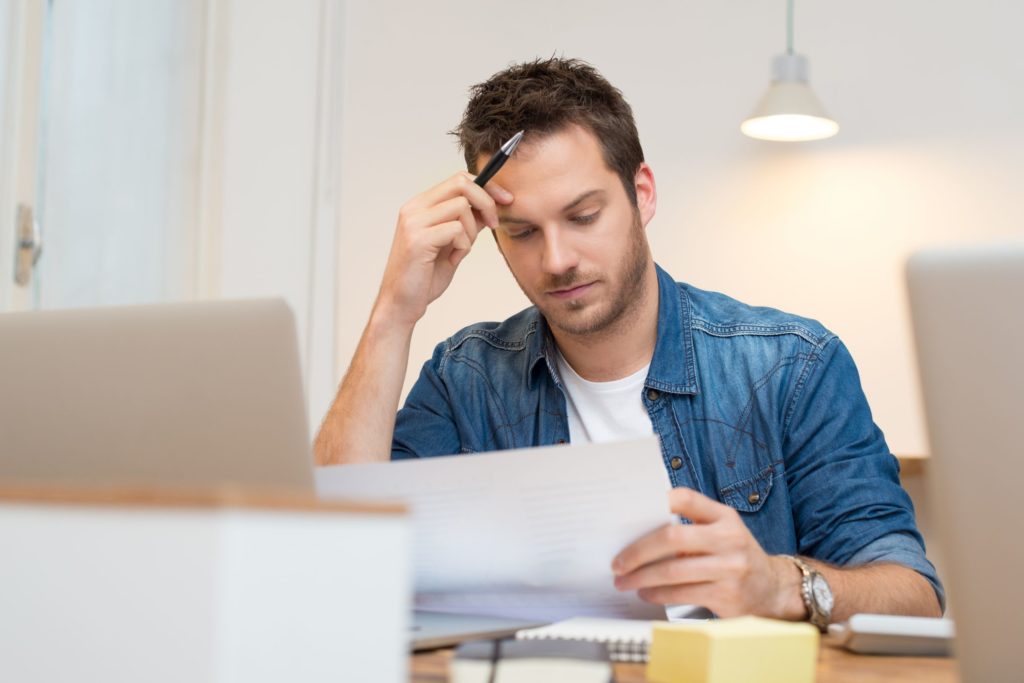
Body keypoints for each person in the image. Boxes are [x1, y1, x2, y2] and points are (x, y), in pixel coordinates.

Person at [314, 57, 942, 625]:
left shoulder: (791, 366)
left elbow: (912, 594)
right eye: (523, 231)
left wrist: (779, 586)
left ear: (641, 194)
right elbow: (333, 558)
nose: (557, 259)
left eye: (583, 216)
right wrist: (394, 313)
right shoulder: (465, 378)